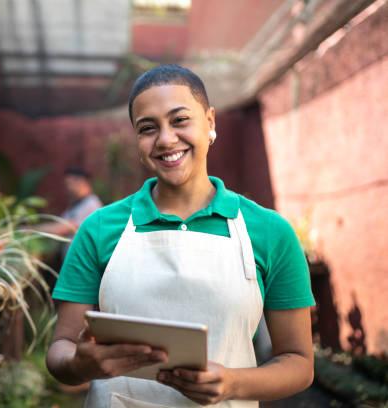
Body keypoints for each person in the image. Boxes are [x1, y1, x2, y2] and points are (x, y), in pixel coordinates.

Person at [45, 65, 315, 407]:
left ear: (210, 122)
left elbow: (299, 362)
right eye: (148, 128)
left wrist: (233, 382)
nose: (166, 139)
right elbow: (61, 348)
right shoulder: (99, 229)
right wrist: (78, 363)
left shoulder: (270, 232)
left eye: (180, 120)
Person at [37, 167, 103, 260]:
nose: (67, 188)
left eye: (69, 184)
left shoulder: (91, 204)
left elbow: (63, 228)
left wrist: (31, 230)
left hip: (83, 263)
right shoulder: (76, 204)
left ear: (81, 182)